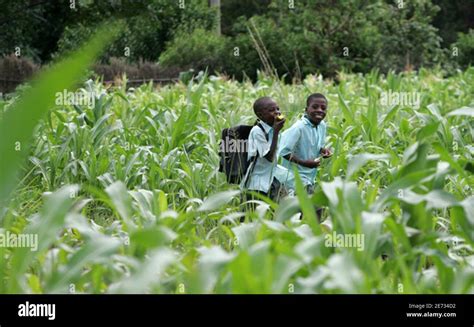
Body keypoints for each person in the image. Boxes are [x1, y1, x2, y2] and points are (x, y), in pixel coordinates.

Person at [278, 93, 332, 221]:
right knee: (315, 209)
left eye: (323, 108)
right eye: (315, 107)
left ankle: (306, 235)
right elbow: (284, 152)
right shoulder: (298, 128)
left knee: (305, 211)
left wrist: (323, 151)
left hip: (309, 177)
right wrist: (304, 163)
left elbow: (315, 145)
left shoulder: (322, 125)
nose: (319, 110)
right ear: (306, 109)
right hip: (294, 178)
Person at [241, 96, 286, 201]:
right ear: (260, 115)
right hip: (257, 184)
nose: (277, 112)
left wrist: (275, 131)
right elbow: (269, 157)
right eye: (271, 110)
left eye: (278, 109)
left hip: (271, 180)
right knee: (251, 214)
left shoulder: (272, 130)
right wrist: (276, 132)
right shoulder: (257, 131)